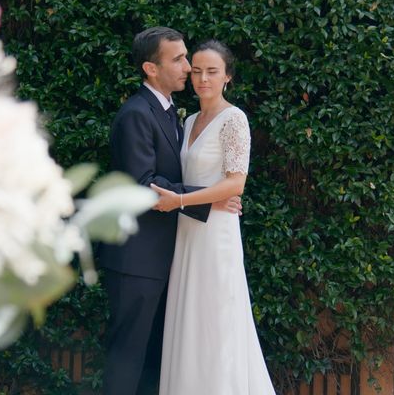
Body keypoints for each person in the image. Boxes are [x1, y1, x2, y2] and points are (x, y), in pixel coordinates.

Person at [98, 28, 242, 395]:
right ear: (150, 67)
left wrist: (204, 197)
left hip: (169, 256)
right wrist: (207, 198)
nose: (188, 67)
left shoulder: (173, 115)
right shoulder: (136, 114)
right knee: (127, 355)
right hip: (136, 259)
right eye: (178, 60)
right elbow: (143, 184)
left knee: (154, 358)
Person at [151, 40, 276, 395]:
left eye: (213, 71)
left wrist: (181, 200)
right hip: (189, 230)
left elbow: (236, 182)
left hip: (216, 234)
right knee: (189, 319)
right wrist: (192, 202)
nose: (203, 78)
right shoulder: (187, 120)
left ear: (228, 77)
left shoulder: (234, 118)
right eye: (198, 71)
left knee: (216, 320)